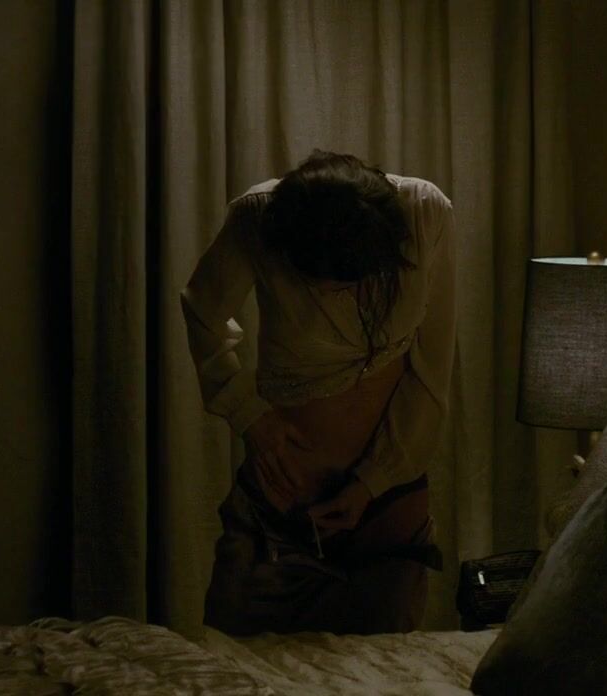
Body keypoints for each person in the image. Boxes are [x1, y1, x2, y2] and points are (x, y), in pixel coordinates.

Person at [180, 150, 456, 635]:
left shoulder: (424, 213)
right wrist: (250, 416)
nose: (332, 292)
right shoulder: (256, 217)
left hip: (387, 504)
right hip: (284, 504)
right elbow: (203, 311)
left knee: (383, 667)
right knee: (231, 655)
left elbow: (431, 368)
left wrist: (373, 479)